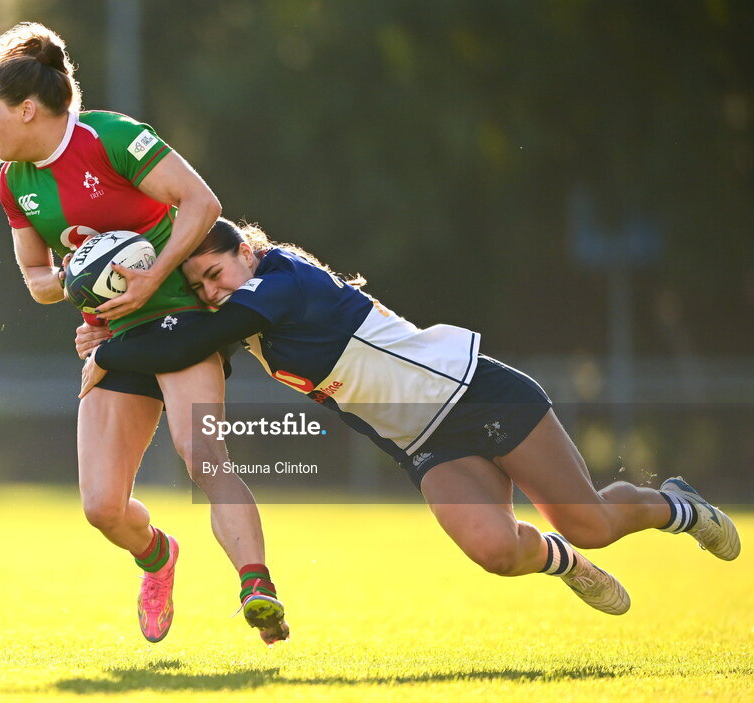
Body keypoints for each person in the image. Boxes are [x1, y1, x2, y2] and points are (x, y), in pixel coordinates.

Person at [77, 218, 741, 615]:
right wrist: (113, 338)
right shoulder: (243, 311)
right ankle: (562, 562)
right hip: (426, 442)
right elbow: (177, 339)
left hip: (477, 393)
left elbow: (187, 341)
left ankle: (674, 504)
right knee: (497, 553)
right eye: (201, 288)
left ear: (245, 252)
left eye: (216, 273)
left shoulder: (280, 282)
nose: (212, 292)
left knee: (590, 520)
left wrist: (108, 346)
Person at [0, 23, 287, 645]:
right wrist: (75, 277)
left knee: (202, 454)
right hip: (111, 339)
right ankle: (158, 557)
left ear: (29, 108)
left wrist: (151, 278)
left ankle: (256, 585)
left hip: (180, 318)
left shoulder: (111, 137)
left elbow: (201, 204)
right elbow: (37, 279)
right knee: (102, 508)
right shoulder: (16, 183)